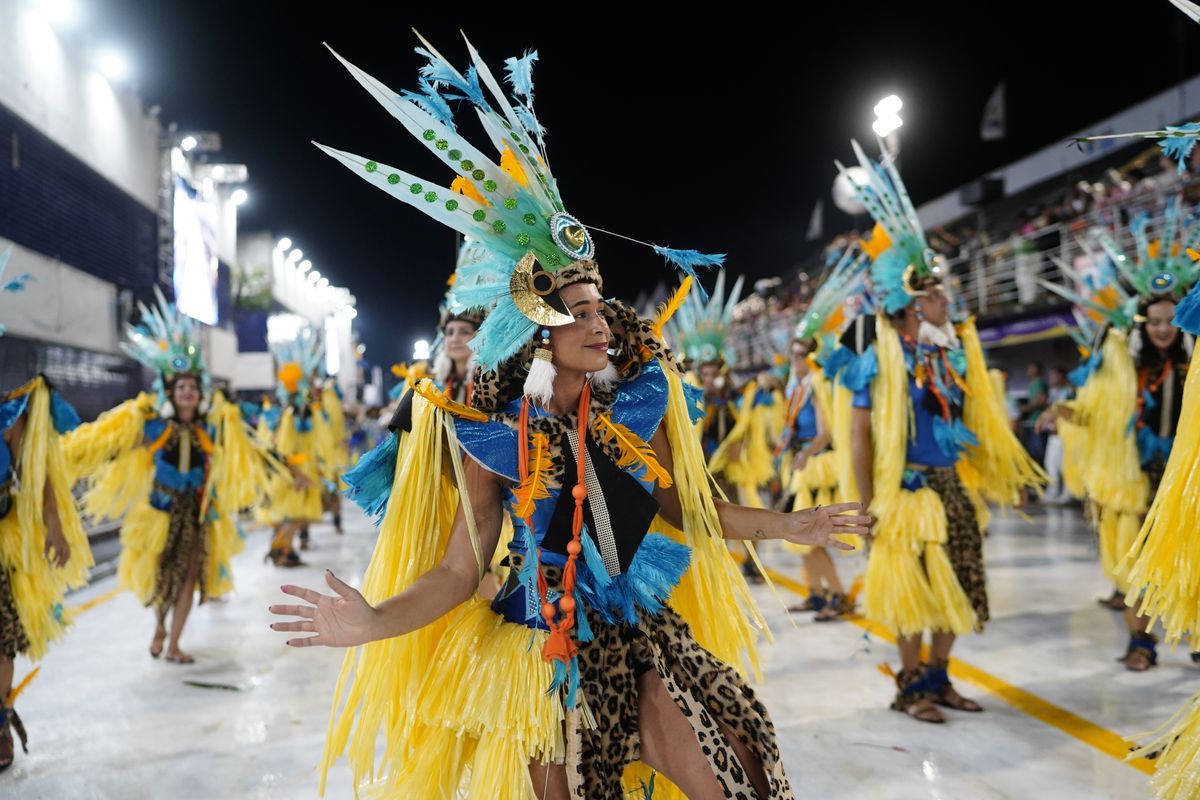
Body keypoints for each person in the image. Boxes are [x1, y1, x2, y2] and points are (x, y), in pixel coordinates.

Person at [271, 39, 870, 798]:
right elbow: (462, 569)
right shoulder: (490, 439)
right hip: (542, 656)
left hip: (638, 633)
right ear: (535, 329)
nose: (602, 325)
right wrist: (374, 621)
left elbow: (682, 505)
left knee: (742, 771)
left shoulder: (636, 408)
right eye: (579, 312)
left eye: (600, 308)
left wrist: (786, 527)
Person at [840, 140, 1044, 724]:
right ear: (911, 301)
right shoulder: (877, 359)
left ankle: (939, 678)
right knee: (913, 591)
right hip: (901, 490)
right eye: (934, 292)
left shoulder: (952, 353)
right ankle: (912, 690)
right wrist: (866, 501)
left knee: (961, 583)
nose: (944, 298)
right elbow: (860, 436)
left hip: (949, 483)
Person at [64, 290, 273, 663]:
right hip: (159, 515)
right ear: (171, 393)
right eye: (181, 387)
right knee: (164, 579)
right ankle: (160, 626)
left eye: (193, 387)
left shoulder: (212, 427)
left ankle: (174, 643)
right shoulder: (152, 425)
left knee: (190, 579)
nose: (188, 392)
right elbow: (113, 443)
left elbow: (246, 450)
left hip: (197, 515)